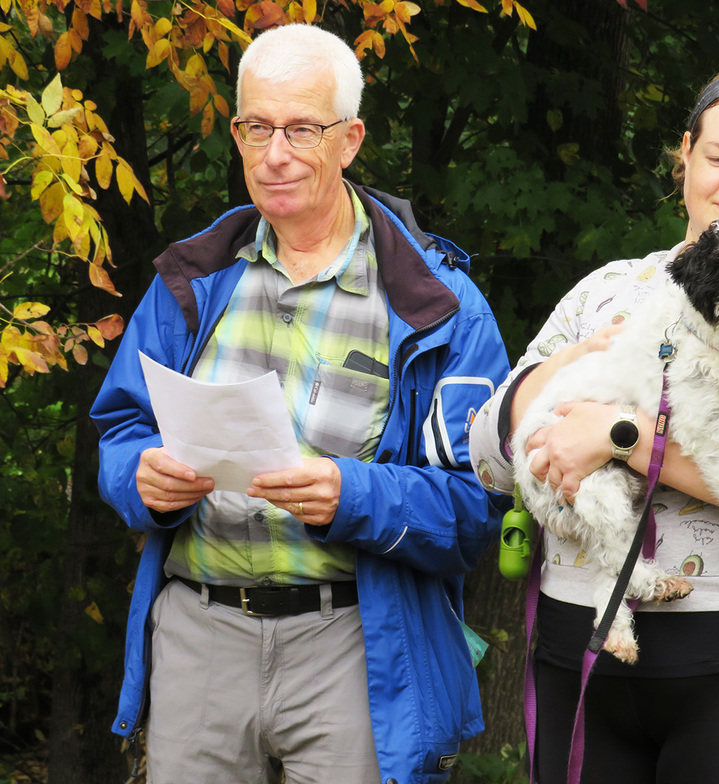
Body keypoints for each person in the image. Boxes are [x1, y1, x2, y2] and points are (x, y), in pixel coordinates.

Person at [91, 24, 510, 784]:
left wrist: (353, 494)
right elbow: (121, 428)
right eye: (257, 127)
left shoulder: (437, 305)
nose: (275, 153)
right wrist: (139, 480)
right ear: (237, 133)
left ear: (348, 140)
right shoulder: (192, 280)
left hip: (356, 637)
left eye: (301, 130)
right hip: (199, 631)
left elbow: (477, 506)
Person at [469, 62, 719, 783]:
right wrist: (553, 376)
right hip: (583, 648)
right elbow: (491, 455)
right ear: (684, 153)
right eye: (717, 157)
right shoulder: (605, 290)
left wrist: (614, 434)